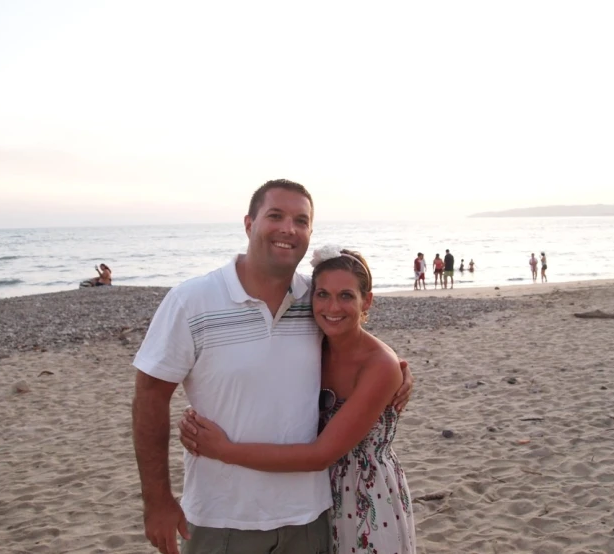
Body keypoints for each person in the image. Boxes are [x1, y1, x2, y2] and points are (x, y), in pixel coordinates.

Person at [131, 179, 413, 554]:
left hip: (311, 519)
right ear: (249, 223)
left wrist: (398, 370)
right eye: (275, 216)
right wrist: (157, 500)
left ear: (310, 232)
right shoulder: (191, 301)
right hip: (223, 519)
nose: (288, 229)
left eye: (301, 220)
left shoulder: (311, 299)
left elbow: (354, 342)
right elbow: (150, 395)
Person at [180, 247, 417, 554]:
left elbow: (320, 455)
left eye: (346, 296)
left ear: (366, 301)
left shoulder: (380, 366)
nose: (332, 306)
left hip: (366, 496)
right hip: (312, 500)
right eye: (322, 294)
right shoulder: (314, 343)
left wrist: (225, 450)